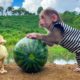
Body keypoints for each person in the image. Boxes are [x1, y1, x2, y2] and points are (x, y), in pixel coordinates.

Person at [27, 8, 80, 72]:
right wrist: (41, 41)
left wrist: (39, 36)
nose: (40, 21)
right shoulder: (53, 31)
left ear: (53, 18)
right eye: (40, 18)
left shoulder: (58, 26)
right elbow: (51, 43)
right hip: (78, 49)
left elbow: (55, 39)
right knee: (78, 56)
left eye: (43, 18)